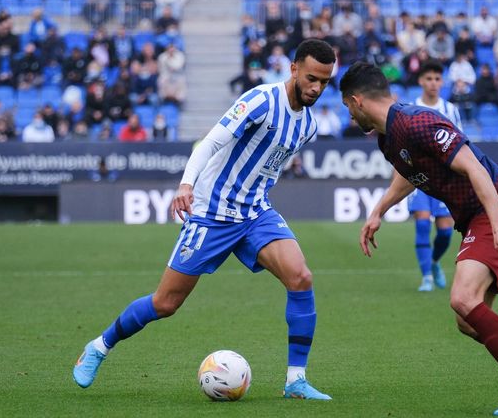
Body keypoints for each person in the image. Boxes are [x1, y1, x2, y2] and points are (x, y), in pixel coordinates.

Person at [72, 39, 337, 401]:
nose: (317, 88)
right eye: (311, 78)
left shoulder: (307, 125)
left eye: (324, 82)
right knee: (166, 303)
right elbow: (211, 142)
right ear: (293, 69)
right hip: (211, 213)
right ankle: (99, 346)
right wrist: (186, 185)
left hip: (255, 213)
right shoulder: (260, 100)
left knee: (301, 277)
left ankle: (295, 380)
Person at [338, 62, 498, 416]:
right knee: (470, 320)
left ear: (357, 101)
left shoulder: (418, 121)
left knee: (463, 298)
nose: (349, 116)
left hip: (495, 205)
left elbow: (473, 167)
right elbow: (409, 175)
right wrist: (379, 210)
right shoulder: (388, 138)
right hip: (473, 217)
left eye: (347, 107)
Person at [407, 59, 461, 292]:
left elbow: (460, 145)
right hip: (418, 178)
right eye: (428, 78)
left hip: (444, 179)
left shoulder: (451, 110)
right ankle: (426, 276)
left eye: (437, 79)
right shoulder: (409, 108)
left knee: (446, 231)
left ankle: (434, 262)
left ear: (442, 82)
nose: (433, 83)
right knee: (421, 223)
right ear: (421, 81)